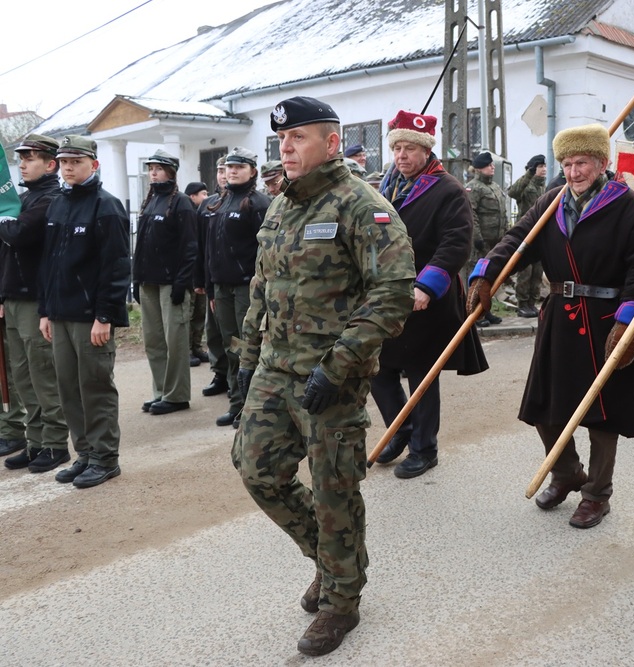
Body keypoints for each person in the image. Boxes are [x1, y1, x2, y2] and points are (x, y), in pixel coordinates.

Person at [232, 95, 415, 657]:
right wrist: (244, 358)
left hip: (331, 375)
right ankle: (333, 561)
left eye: (299, 138)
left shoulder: (362, 205)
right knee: (256, 469)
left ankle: (342, 599)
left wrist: (340, 365)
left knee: (334, 486)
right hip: (274, 367)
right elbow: (262, 284)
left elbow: (392, 292)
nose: (286, 148)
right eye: (282, 140)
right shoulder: (282, 204)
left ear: (331, 143)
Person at [468, 123, 634, 529]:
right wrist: (486, 273)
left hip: (607, 318)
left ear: (602, 163)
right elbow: (517, 239)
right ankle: (568, 471)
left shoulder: (627, 205)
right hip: (558, 314)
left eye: (582, 163)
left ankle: (597, 494)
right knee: (544, 404)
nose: (573, 173)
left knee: (602, 414)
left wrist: (629, 321)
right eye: (568, 164)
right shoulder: (551, 202)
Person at [371, 109, 488, 478]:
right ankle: (400, 429)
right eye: (397, 148)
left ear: (426, 150)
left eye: (409, 148)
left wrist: (426, 285)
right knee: (377, 368)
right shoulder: (384, 187)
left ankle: (425, 448)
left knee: (420, 373)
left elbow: (456, 243)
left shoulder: (447, 189)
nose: (401, 156)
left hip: (426, 299)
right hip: (386, 293)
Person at [38, 135, 130, 488]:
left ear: (94, 164)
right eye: (63, 162)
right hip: (60, 315)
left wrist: (105, 316)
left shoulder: (106, 206)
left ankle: (106, 458)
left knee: (95, 387)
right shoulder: (58, 204)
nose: (68, 168)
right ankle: (85, 454)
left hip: (91, 316)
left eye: (76, 161)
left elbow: (117, 267)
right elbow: (49, 263)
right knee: (68, 388)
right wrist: (46, 310)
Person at [0, 135, 70, 472]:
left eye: (30, 158)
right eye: (21, 158)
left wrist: (5, 217)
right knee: (23, 376)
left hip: (35, 300)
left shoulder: (51, 199)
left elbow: (17, 234)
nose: (22, 164)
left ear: (50, 164)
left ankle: (56, 444)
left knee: (43, 375)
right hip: (14, 297)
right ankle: (36, 441)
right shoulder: (24, 199)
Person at [204, 147, 271, 428]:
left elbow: (267, 249)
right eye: (229, 167)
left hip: (247, 288)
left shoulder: (258, 203)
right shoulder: (218, 203)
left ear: (252, 172)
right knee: (231, 344)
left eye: (239, 167)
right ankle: (236, 403)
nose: (232, 171)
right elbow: (210, 249)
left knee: (247, 345)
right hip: (222, 288)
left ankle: (251, 405)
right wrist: (209, 289)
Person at [133, 150, 197, 415]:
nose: (153, 173)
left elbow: (190, 247)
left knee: (175, 341)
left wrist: (181, 283)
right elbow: (141, 246)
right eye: (151, 168)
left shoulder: (181, 202)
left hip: (171, 284)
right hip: (149, 282)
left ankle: (177, 395)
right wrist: (136, 280)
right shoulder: (150, 201)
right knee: (154, 341)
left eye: (159, 168)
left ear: (171, 172)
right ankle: (160, 391)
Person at [196, 159, 230, 399]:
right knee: (214, 330)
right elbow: (200, 246)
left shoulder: (250, 201)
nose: (223, 175)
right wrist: (200, 279)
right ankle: (220, 373)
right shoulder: (208, 205)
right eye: (219, 170)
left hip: (236, 278)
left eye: (227, 170)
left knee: (234, 333)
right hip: (213, 277)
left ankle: (237, 377)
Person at [466, 151, 507, 327]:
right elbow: (471, 213)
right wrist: (477, 237)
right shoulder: (473, 187)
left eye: (492, 165)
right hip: (481, 241)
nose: (492, 167)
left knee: (489, 278)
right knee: (476, 279)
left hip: (495, 241)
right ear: (479, 168)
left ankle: (487, 310)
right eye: (488, 165)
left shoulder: (494, 187)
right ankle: (474, 315)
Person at [508, 154, 547, 317]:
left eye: (545, 166)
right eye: (540, 167)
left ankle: (532, 302)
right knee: (525, 271)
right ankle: (522, 303)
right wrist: (528, 175)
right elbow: (513, 192)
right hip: (526, 231)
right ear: (533, 169)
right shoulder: (526, 184)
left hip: (541, 233)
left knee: (537, 272)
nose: (544, 169)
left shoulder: (542, 187)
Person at [183, 182, 210, 367]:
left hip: (200, 270)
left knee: (200, 311)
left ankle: (196, 347)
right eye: (203, 193)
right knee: (189, 312)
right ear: (192, 196)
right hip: (189, 272)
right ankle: (186, 350)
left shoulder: (202, 213)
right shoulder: (186, 213)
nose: (206, 197)